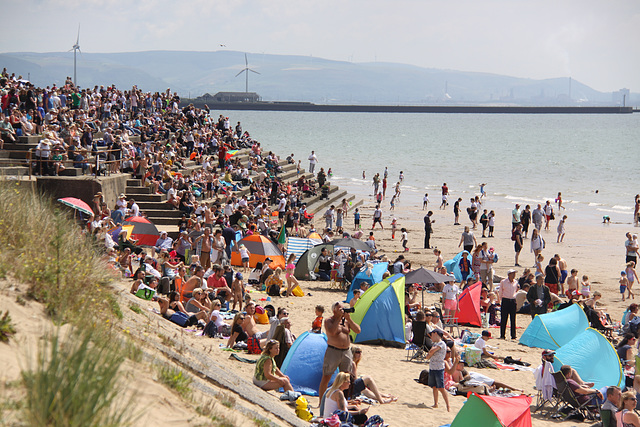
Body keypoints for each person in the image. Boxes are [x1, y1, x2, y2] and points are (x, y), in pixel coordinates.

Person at [318, 302, 362, 401]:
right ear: (334, 310)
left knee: (346, 378)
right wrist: (338, 318)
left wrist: (349, 319)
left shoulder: (346, 321)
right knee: (326, 377)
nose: (342, 310)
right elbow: (332, 332)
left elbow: (358, 330)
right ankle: (321, 402)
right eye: (340, 309)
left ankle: (343, 400)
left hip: (346, 351)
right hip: (333, 351)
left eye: (343, 308)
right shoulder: (329, 320)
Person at [425, 329, 450, 411]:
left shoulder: (441, 343)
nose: (431, 337)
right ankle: (436, 403)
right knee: (434, 387)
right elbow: (428, 356)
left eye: (431, 335)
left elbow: (431, 352)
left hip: (439, 368)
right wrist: (430, 353)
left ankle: (448, 406)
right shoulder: (435, 344)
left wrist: (431, 353)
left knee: (441, 388)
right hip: (432, 367)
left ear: (435, 334)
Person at [499, 269, 519, 340]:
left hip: (513, 300)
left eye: (514, 274)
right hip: (505, 300)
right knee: (504, 318)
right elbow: (500, 292)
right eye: (512, 274)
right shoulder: (503, 282)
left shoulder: (516, 282)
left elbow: (515, 290)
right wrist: (501, 300)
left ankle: (513, 335)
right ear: (509, 275)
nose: (514, 275)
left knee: (513, 319)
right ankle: (502, 335)